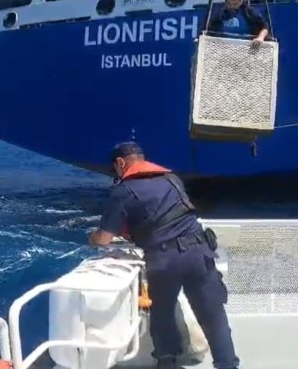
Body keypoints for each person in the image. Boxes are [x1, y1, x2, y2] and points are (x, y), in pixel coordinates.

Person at [89, 142, 239, 369]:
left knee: (163, 314)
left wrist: (92, 237)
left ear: (120, 163)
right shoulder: (172, 179)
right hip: (200, 252)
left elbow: (103, 239)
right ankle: (228, 365)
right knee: (213, 315)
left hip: (164, 259)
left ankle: (168, 363)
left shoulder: (123, 192)